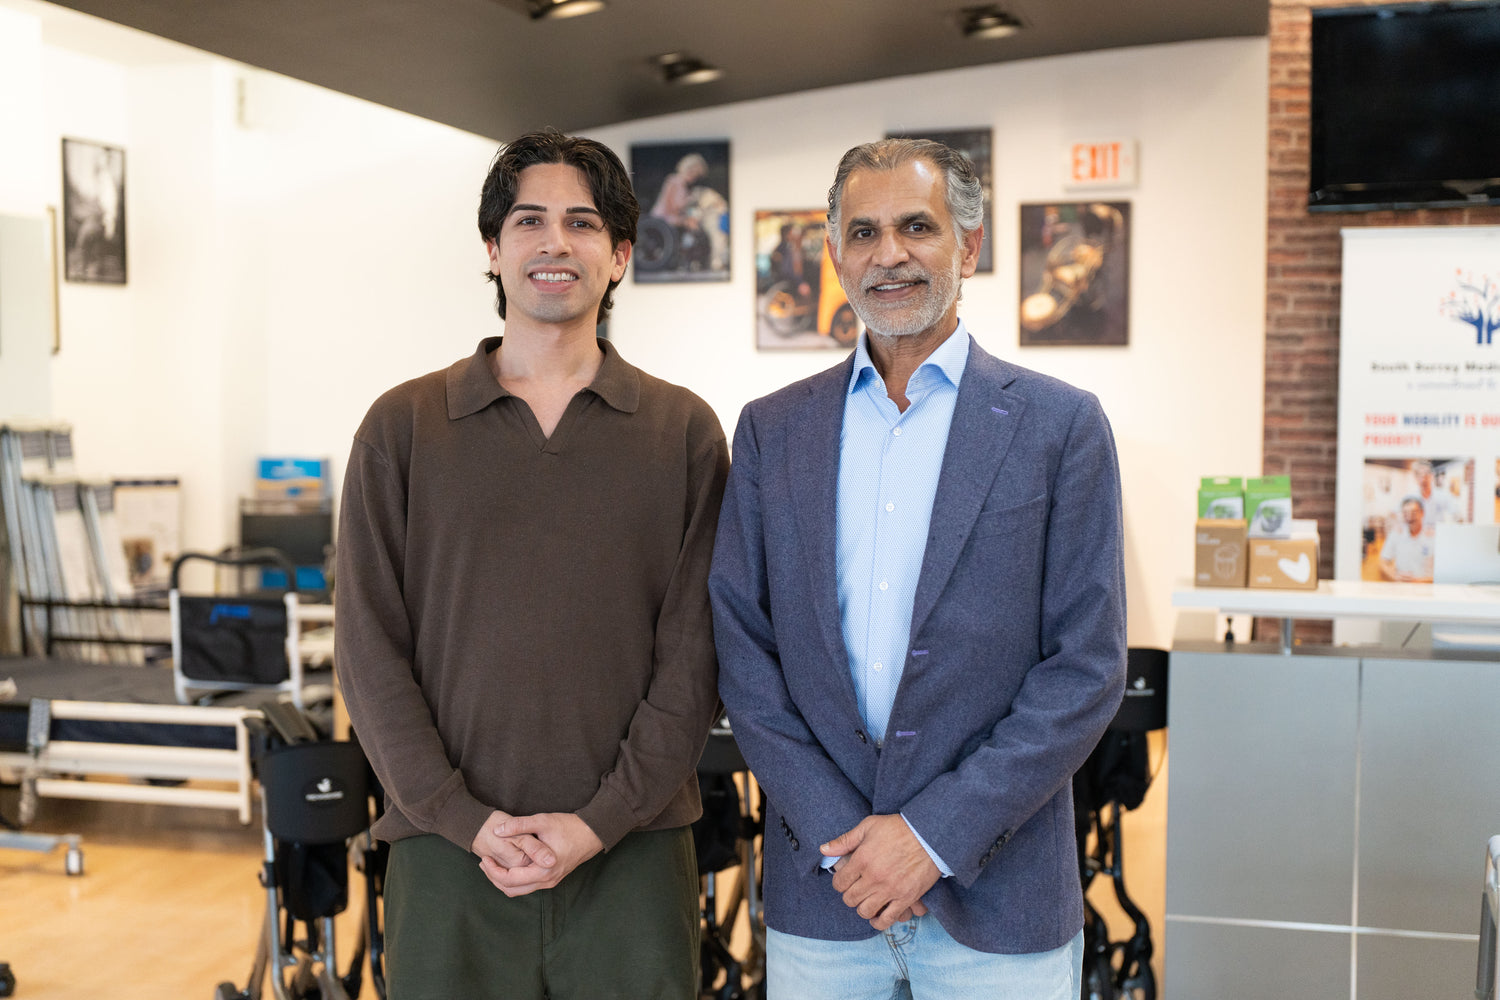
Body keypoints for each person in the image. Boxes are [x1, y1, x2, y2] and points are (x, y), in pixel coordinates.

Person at [709, 137, 1127, 999]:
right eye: (862, 232)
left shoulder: (1061, 428)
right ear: (833, 254)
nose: (887, 254)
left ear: (968, 247)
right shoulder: (770, 432)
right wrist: (844, 839)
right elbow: (744, 654)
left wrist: (930, 838)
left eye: (916, 226)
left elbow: (1085, 668)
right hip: (828, 892)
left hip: (999, 893)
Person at [335, 129, 729, 999]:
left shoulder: (684, 434)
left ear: (621, 255)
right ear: (492, 250)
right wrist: (460, 818)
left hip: (632, 856)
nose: (556, 243)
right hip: (445, 859)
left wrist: (600, 822)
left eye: (584, 224)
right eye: (529, 221)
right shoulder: (402, 429)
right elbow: (367, 651)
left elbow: (696, 658)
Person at [1379, 495, 1434, 582]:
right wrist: (1394, 576)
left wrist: (1419, 581)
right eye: (1405, 513)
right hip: (1401, 588)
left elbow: (1442, 571)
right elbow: (1383, 562)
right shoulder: (1396, 534)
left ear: (1422, 513)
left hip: (1426, 588)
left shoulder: (1432, 537)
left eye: (1414, 512)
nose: (1409, 517)